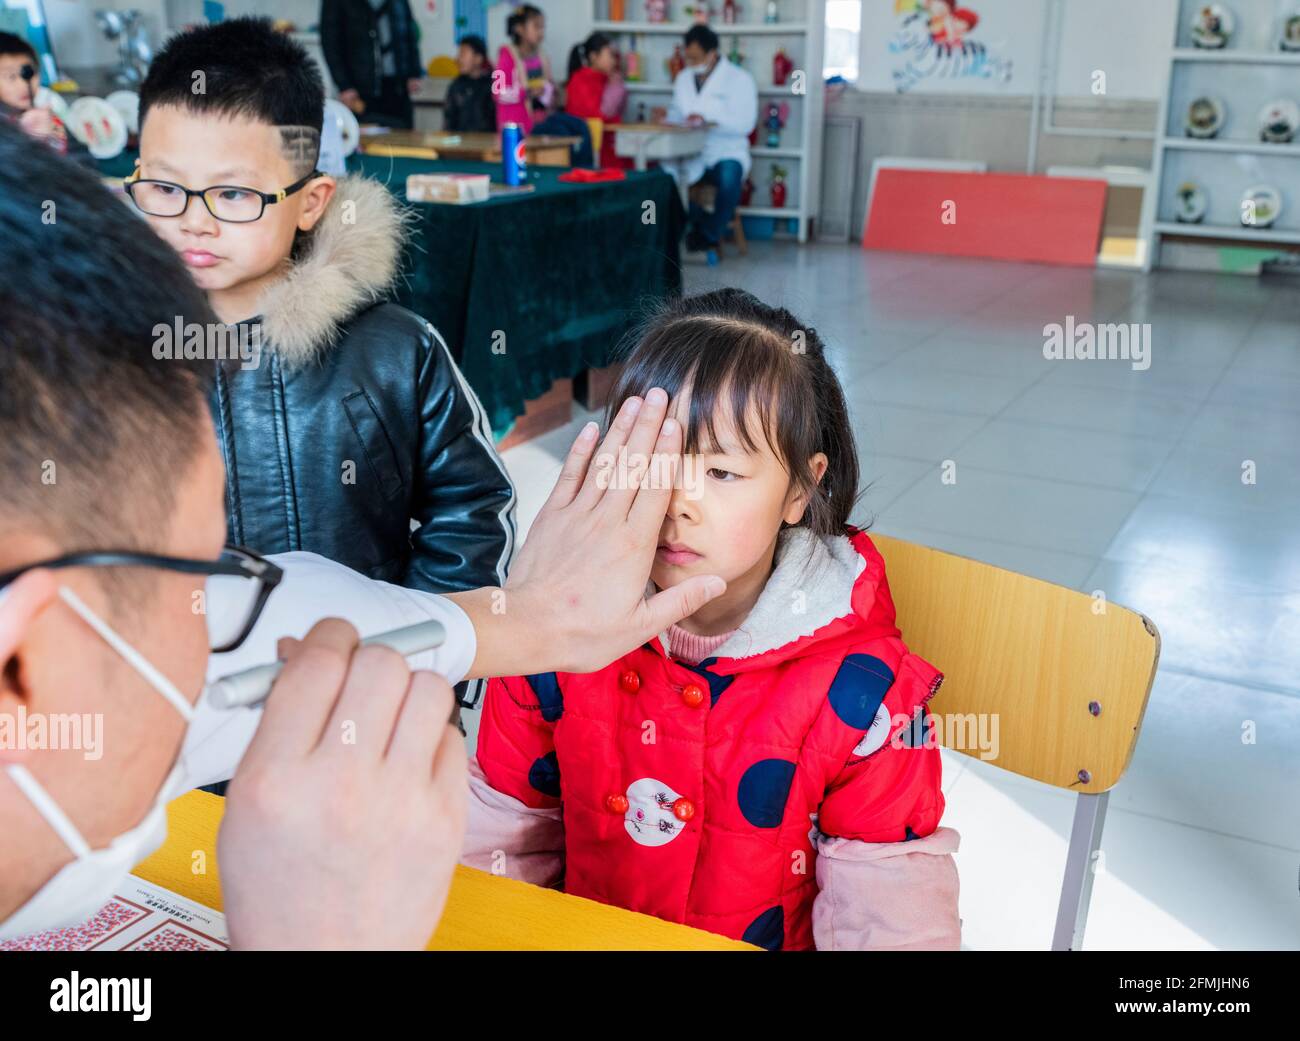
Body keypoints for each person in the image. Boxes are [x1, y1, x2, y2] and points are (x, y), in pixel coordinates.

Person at [0, 119, 725, 948]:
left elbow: (318, 591)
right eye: (204, 575)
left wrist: (521, 619)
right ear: (23, 664)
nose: (243, 591)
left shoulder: (394, 348)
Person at [463, 290, 962, 952]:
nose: (678, 503)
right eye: (654, 462)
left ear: (799, 490)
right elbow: (499, 847)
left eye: (722, 470)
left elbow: (892, 915)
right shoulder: (555, 636)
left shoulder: (869, 697)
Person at [131, 19, 515, 713]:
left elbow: (470, 511)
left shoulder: (394, 350)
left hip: (356, 701)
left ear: (311, 202)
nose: (194, 220)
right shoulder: (107, 358)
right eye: (163, 188)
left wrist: (420, 667)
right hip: (172, 712)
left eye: (234, 194)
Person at [659, 24, 757, 259]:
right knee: (663, 180)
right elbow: (677, 112)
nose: (690, 62)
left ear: (712, 54)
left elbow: (746, 124)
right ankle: (699, 222)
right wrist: (667, 118)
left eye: (695, 57)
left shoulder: (739, 79)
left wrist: (710, 120)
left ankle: (708, 235)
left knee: (729, 177)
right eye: (687, 56)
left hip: (726, 150)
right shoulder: (683, 78)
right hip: (690, 151)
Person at [494, 4, 592, 167]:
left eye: (542, 27)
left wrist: (552, 91)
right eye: (536, 27)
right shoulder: (505, 56)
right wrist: (527, 93)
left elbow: (549, 88)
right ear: (519, 29)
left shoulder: (541, 56)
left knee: (580, 126)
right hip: (523, 127)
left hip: (543, 119)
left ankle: (586, 173)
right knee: (561, 134)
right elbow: (498, 93)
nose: (541, 32)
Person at [319, 0, 424, 129]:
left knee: (403, 137)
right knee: (366, 141)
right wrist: (344, 85)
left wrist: (414, 72)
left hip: (398, 87)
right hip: (360, 90)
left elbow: (409, 34)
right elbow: (331, 44)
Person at [564, 31, 627, 169]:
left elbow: (618, 112)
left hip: (608, 142)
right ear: (593, 57)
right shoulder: (580, 80)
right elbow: (596, 116)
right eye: (610, 55)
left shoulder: (606, 79)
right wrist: (615, 88)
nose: (614, 61)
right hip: (590, 147)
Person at [0, 31, 68, 154]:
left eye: (29, 73)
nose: (23, 85)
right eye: (11, 77)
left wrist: (49, 139)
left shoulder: (50, 116)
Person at [443, 34, 495, 133]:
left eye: (463, 54)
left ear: (478, 58)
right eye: (459, 54)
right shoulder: (456, 85)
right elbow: (448, 121)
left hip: (487, 143)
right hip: (459, 144)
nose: (458, 59)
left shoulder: (492, 84)